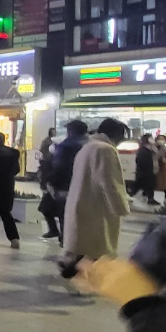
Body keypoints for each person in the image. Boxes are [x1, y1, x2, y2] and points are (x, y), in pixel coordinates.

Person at [60, 117, 131, 278]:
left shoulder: (87, 147)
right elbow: (110, 182)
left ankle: (71, 268)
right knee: (97, 247)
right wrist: (120, 206)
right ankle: (73, 271)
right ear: (115, 134)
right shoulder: (105, 149)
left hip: (81, 203)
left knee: (84, 246)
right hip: (96, 208)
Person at [39, 119, 88, 242]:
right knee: (57, 210)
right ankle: (59, 234)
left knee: (60, 211)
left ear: (72, 131)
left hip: (62, 184)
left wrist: (50, 181)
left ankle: (64, 237)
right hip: (79, 183)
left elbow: (60, 166)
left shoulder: (67, 146)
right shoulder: (88, 144)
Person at [134, 133, 158, 206]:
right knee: (137, 186)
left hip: (149, 172)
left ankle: (150, 199)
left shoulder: (151, 149)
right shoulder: (143, 149)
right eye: (151, 138)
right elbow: (139, 160)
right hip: (144, 172)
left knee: (150, 186)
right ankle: (129, 196)